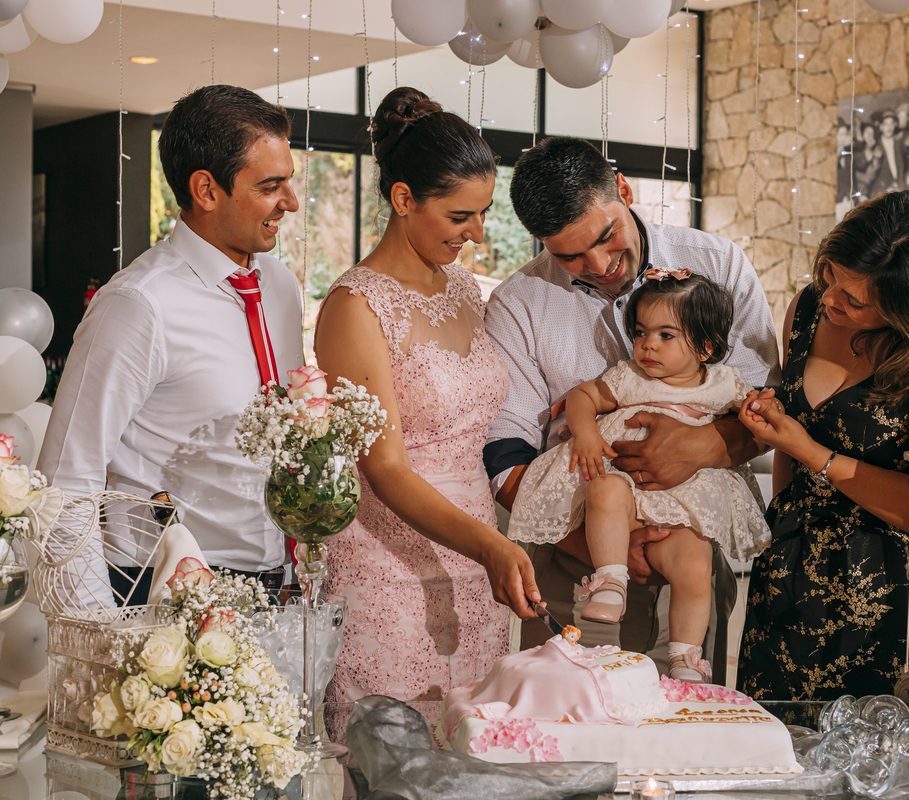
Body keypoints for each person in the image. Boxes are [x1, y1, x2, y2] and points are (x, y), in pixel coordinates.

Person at [485, 136, 780, 679]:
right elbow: (504, 450)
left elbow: (768, 404)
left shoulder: (718, 265)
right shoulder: (518, 304)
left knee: (683, 725)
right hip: (571, 554)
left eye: (606, 236)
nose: (598, 263)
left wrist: (704, 445)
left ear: (622, 190)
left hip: (692, 545)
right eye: (569, 255)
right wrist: (601, 544)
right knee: (566, 727)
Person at [312, 87, 538, 733]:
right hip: (389, 563)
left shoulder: (469, 290)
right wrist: (490, 545)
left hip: (478, 556)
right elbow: (384, 466)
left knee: (470, 748)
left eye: (483, 214)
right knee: (393, 750)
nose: (475, 233)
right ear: (404, 199)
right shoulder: (355, 307)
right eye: (460, 216)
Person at [38, 85, 305, 605]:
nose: (290, 203)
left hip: (279, 588)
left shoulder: (280, 287)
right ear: (206, 190)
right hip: (162, 595)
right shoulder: (138, 304)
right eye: (271, 186)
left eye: (288, 183)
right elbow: (67, 477)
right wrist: (101, 628)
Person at [734, 190, 909, 701]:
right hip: (789, 565)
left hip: (891, 585)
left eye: (855, 299)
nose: (831, 298)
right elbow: (790, 444)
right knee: (773, 747)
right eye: (830, 274)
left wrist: (812, 452)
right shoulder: (811, 308)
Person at [507, 271, 771, 683]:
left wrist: (758, 408)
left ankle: (686, 657)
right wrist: (587, 434)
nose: (647, 344)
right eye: (641, 332)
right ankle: (611, 581)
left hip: (682, 507)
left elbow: (753, 420)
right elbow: (582, 396)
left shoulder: (723, 384)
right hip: (626, 493)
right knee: (606, 490)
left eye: (666, 335)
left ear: (705, 346)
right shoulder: (629, 376)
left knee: (694, 562)